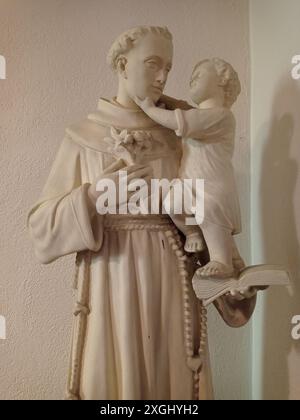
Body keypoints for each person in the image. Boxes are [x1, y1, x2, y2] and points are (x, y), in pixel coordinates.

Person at [27, 26, 257, 400]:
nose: (164, 76)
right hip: (110, 290)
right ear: (122, 64)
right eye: (153, 64)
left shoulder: (182, 136)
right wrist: (92, 197)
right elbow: (41, 230)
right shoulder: (83, 137)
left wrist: (235, 287)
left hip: (172, 292)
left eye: (168, 66)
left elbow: (206, 220)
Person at [134, 58, 245, 278]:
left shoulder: (220, 116)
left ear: (222, 82)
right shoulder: (199, 115)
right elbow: (184, 112)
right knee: (172, 203)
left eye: (200, 74)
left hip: (212, 183)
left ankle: (223, 261)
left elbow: (179, 121)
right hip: (189, 180)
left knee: (211, 217)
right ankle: (192, 232)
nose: (192, 77)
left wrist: (148, 107)